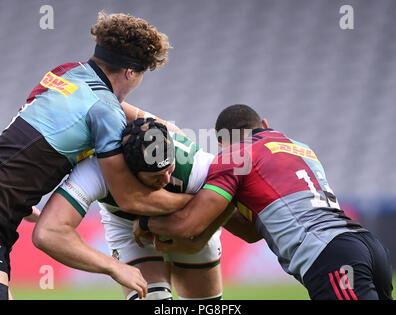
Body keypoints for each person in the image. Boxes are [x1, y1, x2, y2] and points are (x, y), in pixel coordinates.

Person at [0, 11, 192, 300]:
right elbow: (130, 198)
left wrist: (23, 205)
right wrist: (203, 201)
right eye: (141, 74)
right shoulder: (104, 112)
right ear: (130, 72)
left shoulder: (65, 72)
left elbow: (20, 148)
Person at [136, 104, 394, 300]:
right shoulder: (299, 146)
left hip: (329, 255)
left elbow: (188, 226)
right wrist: (219, 204)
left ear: (222, 143)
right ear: (264, 124)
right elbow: (252, 233)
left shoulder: (234, 156)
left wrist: (146, 222)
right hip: (367, 245)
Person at [33, 117, 228, 300]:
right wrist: (113, 267)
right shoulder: (98, 171)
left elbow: (231, 204)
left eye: (169, 170)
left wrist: (194, 237)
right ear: (130, 174)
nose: (167, 180)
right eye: (156, 177)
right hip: (127, 228)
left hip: (189, 222)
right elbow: (48, 233)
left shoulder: (196, 164)